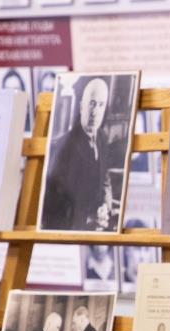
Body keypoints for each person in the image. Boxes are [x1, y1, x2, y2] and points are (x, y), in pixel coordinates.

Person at [42, 77, 119, 231]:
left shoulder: (103, 138)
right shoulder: (64, 146)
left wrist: (106, 206)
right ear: (82, 106)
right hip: (73, 229)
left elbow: (105, 179)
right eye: (92, 103)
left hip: (98, 225)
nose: (95, 112)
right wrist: (89, 219)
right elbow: (54, 206)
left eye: (101, 105)